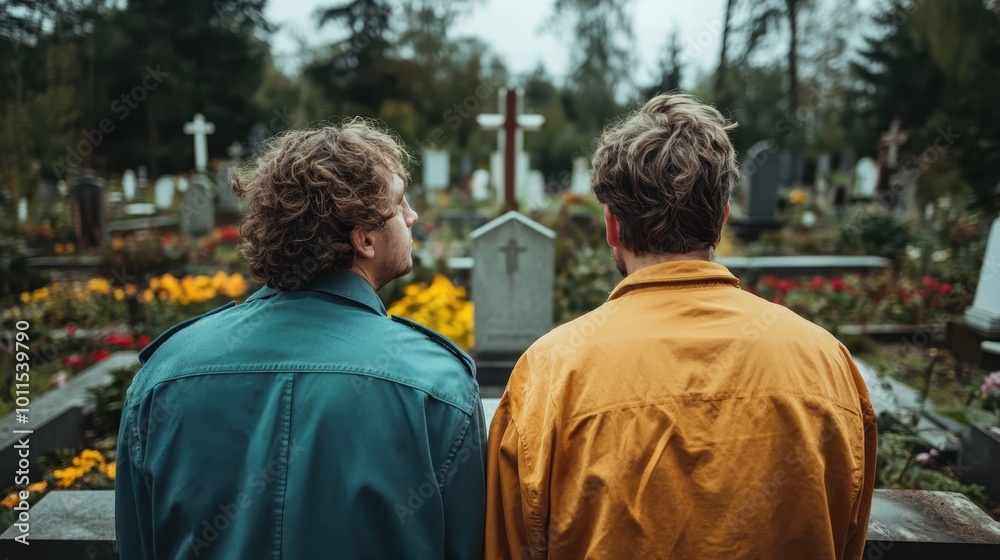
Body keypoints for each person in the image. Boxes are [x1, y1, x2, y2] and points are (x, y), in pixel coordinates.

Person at [484, 94, 877, 560]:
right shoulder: (827, 363)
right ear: (722, 220)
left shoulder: (549, 371)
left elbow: (512, 546)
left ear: (611, 225)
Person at [116, 120, 486, 559]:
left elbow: (138, 545)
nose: (412, 216)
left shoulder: (164, 375)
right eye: (399, 201)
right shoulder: (436, 383)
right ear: (363, 238)